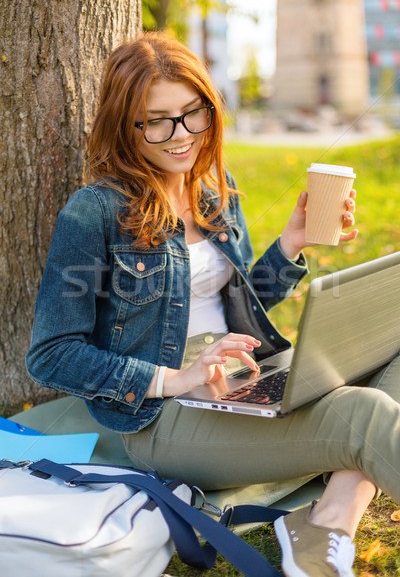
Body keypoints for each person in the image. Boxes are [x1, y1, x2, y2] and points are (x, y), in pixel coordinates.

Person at [26, 32, 400, 577]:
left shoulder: (213, 188)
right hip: (163, 419)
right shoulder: (94, 212)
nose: (181, 136)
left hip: (247, 381)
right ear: (122, 125)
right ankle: (332, 510)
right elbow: (51, 354)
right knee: (364, 416)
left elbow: (238, 302)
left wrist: (292, 243)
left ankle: (330, 517)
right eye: (156, 120)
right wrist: (174, 377)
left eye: (192, 114)